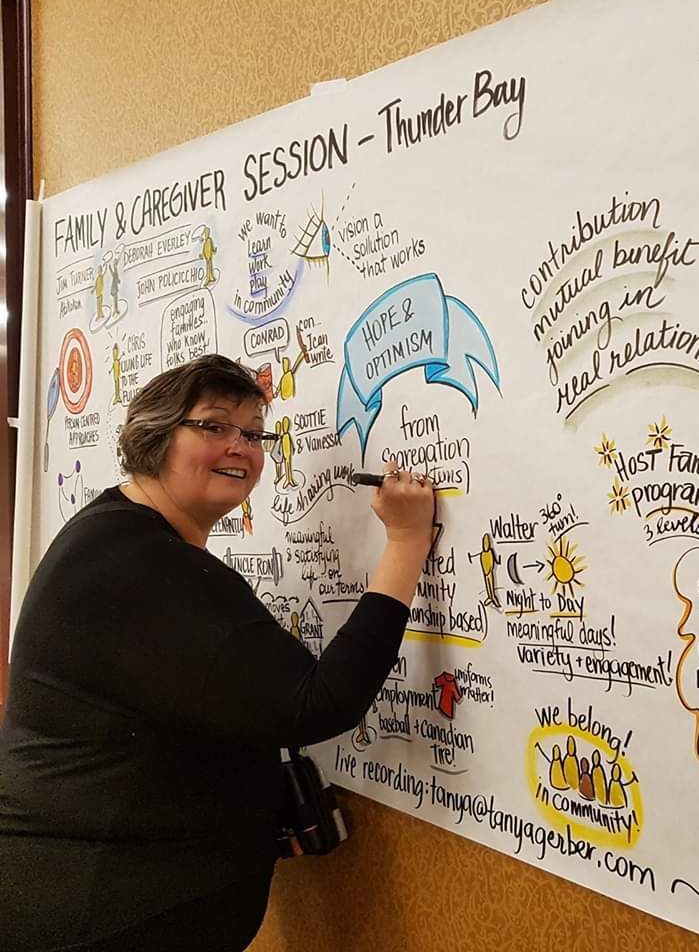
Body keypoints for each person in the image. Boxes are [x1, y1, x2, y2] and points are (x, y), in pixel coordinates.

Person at [0, 354, 435, 952]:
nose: (241, 447)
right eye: (213, 426)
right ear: (154, 436)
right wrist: (409, 540)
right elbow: (318, 702)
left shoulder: (115, 537)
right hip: (93, 916)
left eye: (253, 433)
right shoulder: (143, 565)